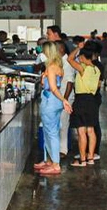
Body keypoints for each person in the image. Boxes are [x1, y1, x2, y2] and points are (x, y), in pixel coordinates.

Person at [34, 42, 72, 176]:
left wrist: (64, 100)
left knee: (51, 133)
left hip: (50, 101)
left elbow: (53, 88)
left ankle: (55, 164)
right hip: (55, 103)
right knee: (50, 131)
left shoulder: (51, 67)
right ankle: (48, 160)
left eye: (43, 51)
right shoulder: (58, 66)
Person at [67, 45, 101, 166]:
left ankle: (82, 160)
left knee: (81, 131)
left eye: (80, 56)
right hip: (92, 100)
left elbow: (69, 59)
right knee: (91, 130)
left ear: (82, 57)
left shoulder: (82, 68)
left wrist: (77, 48)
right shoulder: (96, 69)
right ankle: (91, 158)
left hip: (81, 100)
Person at [58, 41, 75, 160]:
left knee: (63, 124)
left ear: (61, 49)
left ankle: (63, 150)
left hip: (65, 96)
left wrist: (65, 99)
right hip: (61, 96)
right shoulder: (60, 61)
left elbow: (70, 82)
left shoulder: (67, 63)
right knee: (60, 124)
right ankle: (58, 149)